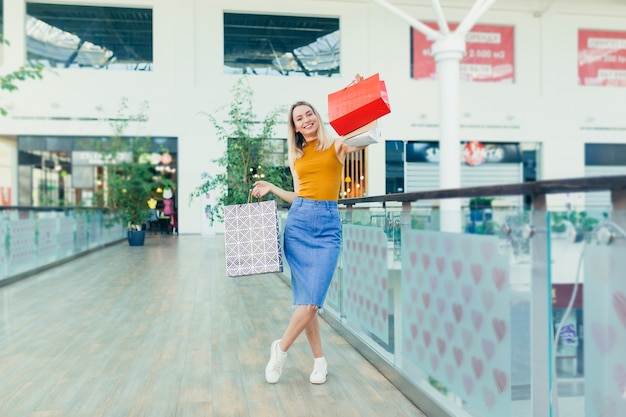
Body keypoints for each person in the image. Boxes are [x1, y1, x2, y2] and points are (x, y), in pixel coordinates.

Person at [251, 75, 368, 385]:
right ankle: (319, 361)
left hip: (328, 227)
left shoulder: (337, 145)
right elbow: (300, 194)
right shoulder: (296, 155)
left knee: (312, 299)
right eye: (298, 118)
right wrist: (274, 188)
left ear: (317, 116)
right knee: (308, 301)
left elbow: (366, 132)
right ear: (295, 127)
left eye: (308, 114)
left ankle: (281, 348)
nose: (305, 120)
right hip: (299, 224)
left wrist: (356, 95)